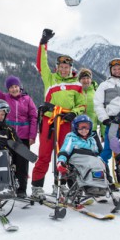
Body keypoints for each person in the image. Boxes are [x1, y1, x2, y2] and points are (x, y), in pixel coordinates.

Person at [32, 28, 84, 200]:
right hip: (49, 120)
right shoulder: (50, 78)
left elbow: (82, 104)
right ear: (57, 68)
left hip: (67, 122)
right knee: (45, 154)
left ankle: (63, 185)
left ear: (71, 68)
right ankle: (37, 187)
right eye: (61, 67)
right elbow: (41, 63)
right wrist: (43, 43)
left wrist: (74, 113)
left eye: (66, 67)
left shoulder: (76, 84)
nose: (63, 69)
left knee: (66, 154)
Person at [0, 62, 38, 198]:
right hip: (8, 136)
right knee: (8, 162)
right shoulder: (4, 98)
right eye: (11, 87)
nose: (14, 89)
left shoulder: (27, 99)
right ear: (8, 89)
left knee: (22, 164)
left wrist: (32, 135)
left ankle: (22, 189)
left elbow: (34, 117)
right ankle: (7, 186)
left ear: (19, 87)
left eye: (16, 86)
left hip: (23, 137)